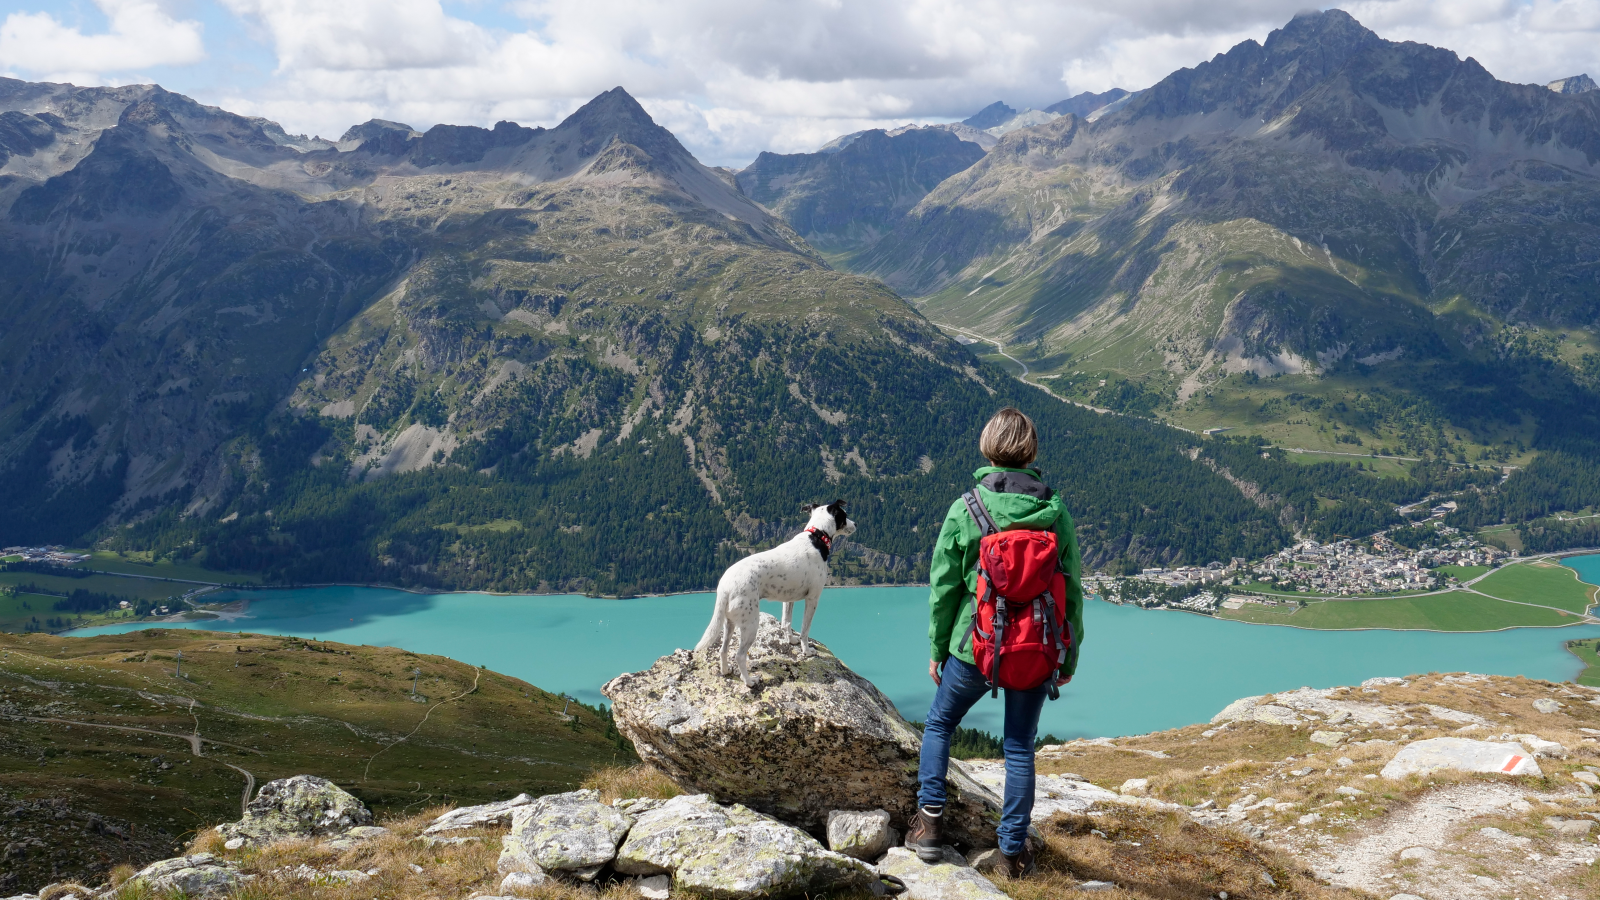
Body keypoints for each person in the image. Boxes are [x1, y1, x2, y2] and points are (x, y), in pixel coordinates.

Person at [905, 407, 1085, 877]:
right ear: (1030, 452)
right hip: (1035, 650)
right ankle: (1011, 854)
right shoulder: (1055, 511)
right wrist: (1069, 654)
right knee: (1019, 746)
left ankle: (929, 827)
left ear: (988, 447)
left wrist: (937, 648)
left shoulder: (967, 509)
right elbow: (1074, 591)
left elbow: (944, 589)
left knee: (940, 726)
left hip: (975, 648)